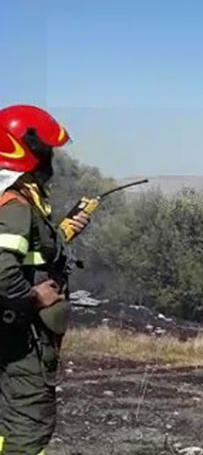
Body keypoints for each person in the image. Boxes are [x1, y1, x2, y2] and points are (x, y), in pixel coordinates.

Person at [0, 105, 90, 455]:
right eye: (45, 150)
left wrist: (63, 231)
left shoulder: (13, 195)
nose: (50, 157)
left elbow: (27, 249)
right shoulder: (16, 204)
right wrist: (34, 298)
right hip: (20, 337)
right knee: (27, 425)